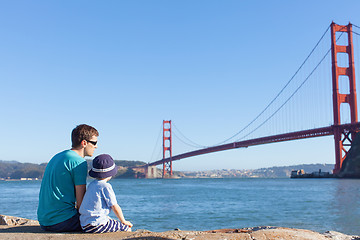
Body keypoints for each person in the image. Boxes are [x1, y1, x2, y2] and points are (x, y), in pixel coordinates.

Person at [37, 124, 99, 232]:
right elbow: (81, 205)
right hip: (63, 222)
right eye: (94, 143)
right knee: (106, 223)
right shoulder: (79, 162)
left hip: (44, 222)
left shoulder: (57, 156)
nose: (96, 146)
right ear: (84, 143)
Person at [79, 154, 133, 233]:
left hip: (85, 224)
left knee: (111, 221)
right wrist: (124, 221)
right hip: (97, 225)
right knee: (126, 228)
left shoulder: (92, 185)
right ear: (111, 173)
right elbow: (115, 206)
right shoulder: (105, 186)